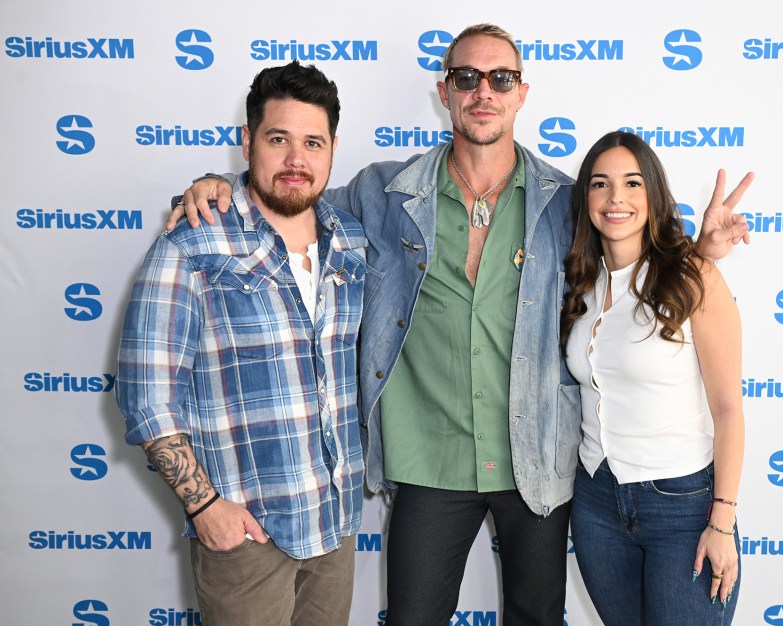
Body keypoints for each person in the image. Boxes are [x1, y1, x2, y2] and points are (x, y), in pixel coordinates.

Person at [167, 24, 751, 625]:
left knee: (538, 617)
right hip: (430, 459)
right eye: (467, 77)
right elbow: (293, 195)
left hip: (536, 460)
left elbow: (635, 254)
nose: (483, 91)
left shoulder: (565, 202)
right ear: (445, 91)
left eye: (501, 78)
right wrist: (225, 189)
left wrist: (699, 254)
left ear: (522, 93)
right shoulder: (384, 192)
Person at [115, 61, 367, 625]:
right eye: (278, 139)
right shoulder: (194, 243)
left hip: (335, 526)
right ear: (248, 140)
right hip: (248, 537)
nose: (296, 159)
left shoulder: (350, 242)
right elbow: (146, 393)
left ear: (331, 150)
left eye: (313, 143)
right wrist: (205, 507)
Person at [561, 131, 749, 625]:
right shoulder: (580, 282)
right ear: (586, 199)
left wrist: (722, 522)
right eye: (600, 184)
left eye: (632, 183)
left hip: (683, 508)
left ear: (654, 196)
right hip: (597, 502)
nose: (616, 197)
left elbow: (728, 408)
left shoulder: (693, 276)